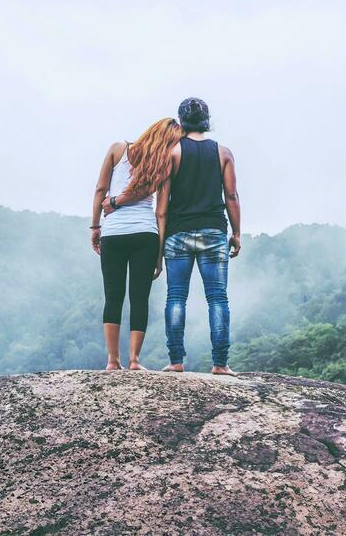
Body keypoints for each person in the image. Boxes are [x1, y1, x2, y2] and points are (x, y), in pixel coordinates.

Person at [151, 96, 242, 375]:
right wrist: (236, 233)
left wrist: (158, 250)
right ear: (207, 120)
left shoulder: (172, 153)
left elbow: (161, 207)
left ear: (181, 120)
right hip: (213, 231)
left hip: (177, 233)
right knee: (218, 298)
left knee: (176, 297)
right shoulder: (223, 153)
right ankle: (221, 363)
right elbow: (231, 196)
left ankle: (176, 361)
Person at [91, 117, 181, 370]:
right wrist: (159, 255)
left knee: (113, 296)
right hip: (146, 235)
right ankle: (134, 360)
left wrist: (96, 225)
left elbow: (100, 190)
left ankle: (112, 361)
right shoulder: (164, 165)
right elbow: (161, 213)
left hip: (114, 233)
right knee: (139, 298)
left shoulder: (118, 149)